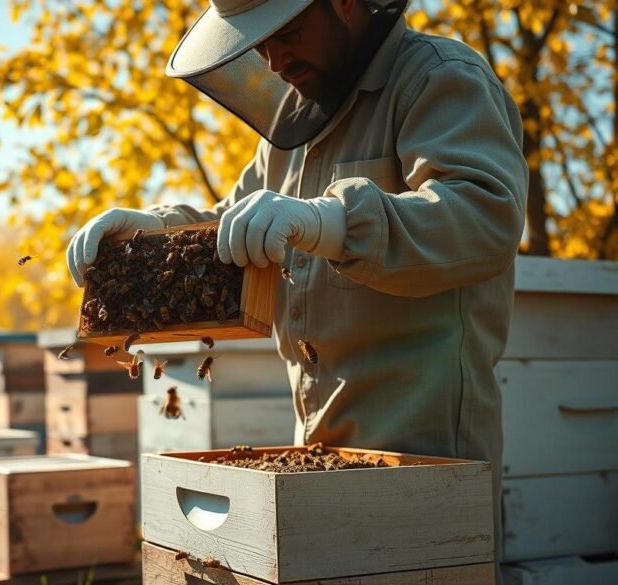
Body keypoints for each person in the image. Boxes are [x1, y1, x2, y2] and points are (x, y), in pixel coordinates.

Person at [66, 0, 528, 573]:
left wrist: (333, 222)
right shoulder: (293, 124)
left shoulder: (439, 77)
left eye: (287, 31)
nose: (272, 57)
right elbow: (236, 225)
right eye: (256, 41)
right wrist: (154, 229)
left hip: (429, 455)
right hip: (316, 448)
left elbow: (485, 217)